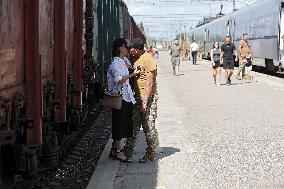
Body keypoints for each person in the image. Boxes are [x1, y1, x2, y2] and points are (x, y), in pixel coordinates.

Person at [124, 38, 159, 163]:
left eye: (131, 48)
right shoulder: (134, 58)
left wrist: (145, 102)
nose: (129, 51)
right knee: (134, 125)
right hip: (137, 97)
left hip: (147, 98)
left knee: (148, 126)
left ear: (137, 49)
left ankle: (150, 154)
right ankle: (127, 153)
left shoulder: (149, 60)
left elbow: (150, 82)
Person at [107, 38, 140, 163]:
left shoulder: (124, 60)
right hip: (119, 97)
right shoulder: (115, 63)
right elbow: (118, 80)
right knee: (119, 125)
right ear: (120, 48)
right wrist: (133, 74)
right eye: (126, 46)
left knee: (123, 124)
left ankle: (113, 150)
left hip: (127, 97)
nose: (128, 48)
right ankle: (119, 152)